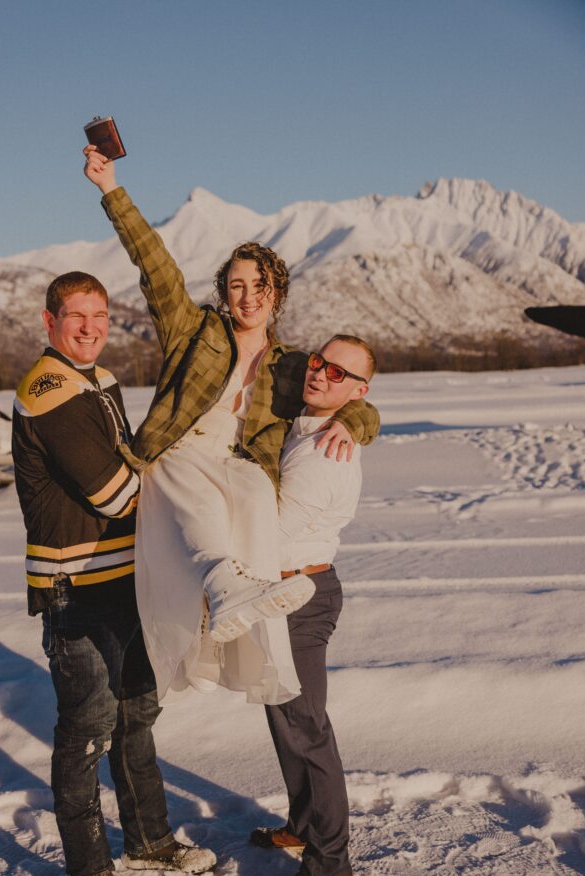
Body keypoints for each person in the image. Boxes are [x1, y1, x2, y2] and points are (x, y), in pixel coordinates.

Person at [83, 147, 381, 708]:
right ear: (225, 291)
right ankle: (222, 587)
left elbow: (347, 390)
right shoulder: (193, 330)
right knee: (192, 486)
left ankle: (246, 617)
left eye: (260, 285)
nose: (248, 295)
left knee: (252, 493)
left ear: (277, 295)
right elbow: (155, 263)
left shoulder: (294, 365)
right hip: (179, 451)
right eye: (238, 284)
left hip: (237, 465)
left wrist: (360, 420)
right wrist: (111, 190)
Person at [12, 271, 215, 876]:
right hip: (77, 592)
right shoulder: (48, 392)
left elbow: (132, 472)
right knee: (87, 732)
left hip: (124, 581)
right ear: (49, 323)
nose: (90, 327)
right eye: (76, 316)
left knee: (137, 716)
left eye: (99, 315)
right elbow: (119, 493)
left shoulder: (95, 383)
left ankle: (150, 842)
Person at [251, 335, 376, 876]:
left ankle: (330, 865)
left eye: (338, 372)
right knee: (285, 718)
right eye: (319, 362)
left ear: (358, 391)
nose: (320, 373)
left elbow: (269, 533)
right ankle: (305, 823)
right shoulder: (308, 425)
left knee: (306, 727)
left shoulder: (327, 451)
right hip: (287, 591)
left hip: (300, 593)